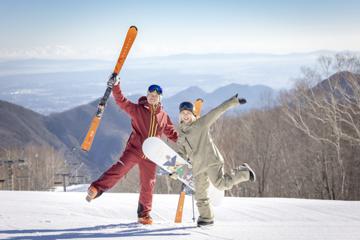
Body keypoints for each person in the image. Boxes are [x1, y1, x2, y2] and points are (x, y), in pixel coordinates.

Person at [86, 75, 178, 225]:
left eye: (156, 96)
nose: (153, 98)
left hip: (152, 154)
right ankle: (96, 188)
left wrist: (188, 139)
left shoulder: (163, 116)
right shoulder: (138, 110)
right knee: (119, 169)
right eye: (150, 95)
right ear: (147, 96)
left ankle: (144, 215)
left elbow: (172, 133)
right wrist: (116, 86)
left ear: (160, 98)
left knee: (148, 183)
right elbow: (121, 101)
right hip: (135, 149)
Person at [176, 95, 256, 227]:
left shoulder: (201, 124)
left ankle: (244, 172)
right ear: (180, 115)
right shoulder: (182, 136)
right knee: (200, 195)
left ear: (193, 114)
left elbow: (217, 111)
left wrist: (233, 101)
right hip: (198, 168)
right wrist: (175, 170)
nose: (185, 116)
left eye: (188, 113)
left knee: (221, 184)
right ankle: (207, 218)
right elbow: (180, 154)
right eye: (183, 113)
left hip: (212, 161)